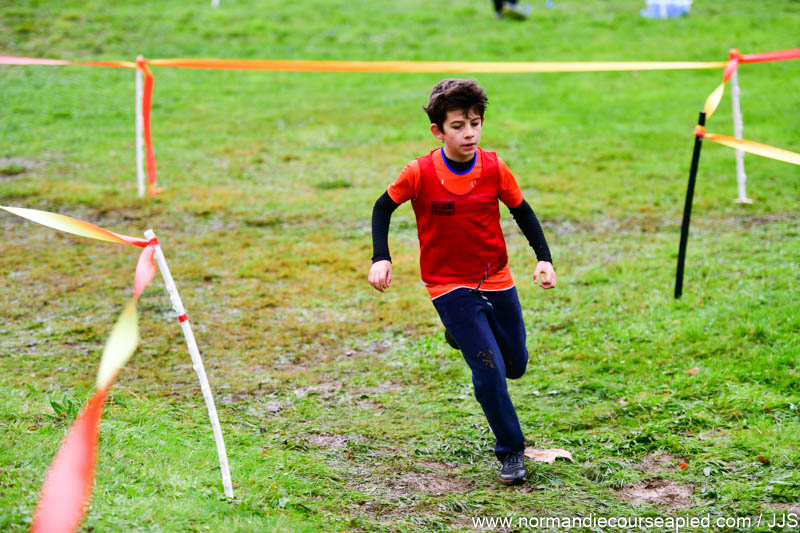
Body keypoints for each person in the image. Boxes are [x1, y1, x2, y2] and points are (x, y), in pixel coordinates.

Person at [368, 79, 556, 486]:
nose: (469, 133)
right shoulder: (419, 172)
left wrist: (544, 258)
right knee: (489, 371)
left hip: (496, 277)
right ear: (438, 131)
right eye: (458, 126)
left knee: (515, 365)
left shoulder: (494, 168)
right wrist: (381, 256)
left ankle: (462, 336)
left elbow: (523, 211)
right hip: (447, 284)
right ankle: (511, 451)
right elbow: (382, 208)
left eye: (475, 123)